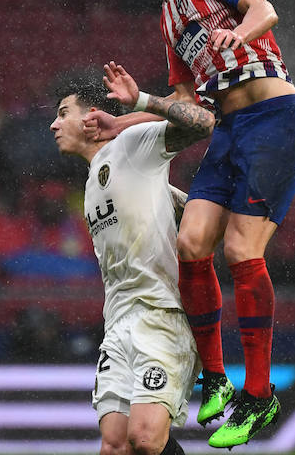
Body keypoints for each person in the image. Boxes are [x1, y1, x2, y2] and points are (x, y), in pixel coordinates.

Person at [85, 0, 295, 448]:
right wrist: (129, 116)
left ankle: (259, 396)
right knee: (191, 241)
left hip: (274, 120)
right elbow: (187, 104)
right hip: (231, 131)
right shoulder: (169, 19)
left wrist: (235, 36)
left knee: (240, 249)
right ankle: (214, 377)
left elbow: (264, 10)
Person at [50, 68, 215, 455]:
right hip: (118, 321)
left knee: (144, 439)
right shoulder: (92, 181)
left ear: (91, 117)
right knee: (114, 445)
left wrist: (140, 104)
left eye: (62, 113)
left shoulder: (132, 144)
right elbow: (157, 198)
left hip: (160, 313)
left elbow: (203, 119)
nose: (53, 123)